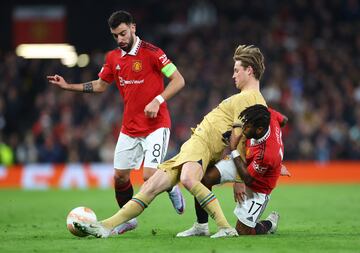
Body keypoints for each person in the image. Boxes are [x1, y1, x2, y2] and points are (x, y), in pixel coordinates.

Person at [74, 44, 267, 238]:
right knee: (150, 186)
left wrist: (239, 179)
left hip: (203, 145)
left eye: (236, 70)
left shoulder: (248, 98)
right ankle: (105, 226)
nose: (233, 75)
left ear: (249, 71)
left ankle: (225, 227)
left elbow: (242, 140)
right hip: (194, 146)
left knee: (188, 179)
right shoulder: (252, 99)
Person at [47, 10, 186, 234]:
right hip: (130, 128)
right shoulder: (113, 58)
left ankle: (171, 184)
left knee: (149, 176)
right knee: (120, 178)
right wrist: (67, 86)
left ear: (133, 28)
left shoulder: (153, 53)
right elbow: (101, 85)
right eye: (115, 36)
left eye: (122, 33)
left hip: (156, 125)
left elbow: (179, 80)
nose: (120, 39)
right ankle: (127, 220)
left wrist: (157, 100)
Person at [177, 105, 288, 237]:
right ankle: (201, 226)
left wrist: (234, 148)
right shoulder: (266, 115)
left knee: (244, 231)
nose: (244, 128)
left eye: (247, 127)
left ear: (259, 130)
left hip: (259, 185)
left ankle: (270, 224)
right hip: (242, 161)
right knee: (204, 179)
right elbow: (284, 119)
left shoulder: (267, 155)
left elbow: (247, 179)